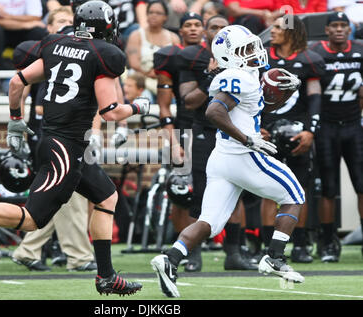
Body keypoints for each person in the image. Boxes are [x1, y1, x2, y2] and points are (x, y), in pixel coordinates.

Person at [0, 0, 146, 296]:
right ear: (106, 26)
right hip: (65, 148)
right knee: (31, 221)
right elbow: (111, 111)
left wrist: (15, 120)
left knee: (107, 196)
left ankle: (106, 276)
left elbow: (17, 81)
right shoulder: (105, 55)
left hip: (54, 141)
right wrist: (140, 106)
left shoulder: (56, 43)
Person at [151, 24, 305, 298]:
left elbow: (255, 108)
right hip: (242, 155)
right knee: (294, 195)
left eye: (251, 46)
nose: (253, 52)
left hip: (221, 157)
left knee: (210, 222)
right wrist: (248, 139)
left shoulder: (244, 75)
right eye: (245, 49)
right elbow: (213, 111)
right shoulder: (237, 76)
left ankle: (170, 259)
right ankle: (274, 257)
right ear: (228, 55)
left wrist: (288, 92)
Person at [11, 6, 96, 272]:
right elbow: (20, 86)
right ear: (48, 27)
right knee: (71, 194)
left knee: (53, 195)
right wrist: (17, 122)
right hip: (51, 131)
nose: (65, 26)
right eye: (59, 21)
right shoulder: (44, 50)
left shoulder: (82, 53)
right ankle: (79, 256)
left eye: (69, 22)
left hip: (71, 132)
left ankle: (28, 249)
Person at [178, 14, 257, 271]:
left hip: (236, 133)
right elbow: (189, 101)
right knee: (200, 194)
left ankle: (233, 253)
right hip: (205, 131)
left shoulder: (247, 58)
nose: (220, 32)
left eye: (225, 28)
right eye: (214, 27)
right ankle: (193, 254)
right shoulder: (193, 58)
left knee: (236, 193)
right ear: (206, 32)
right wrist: (210, 76)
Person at [259, 15, 325, 264]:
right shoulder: (262, 57)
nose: (272, 31)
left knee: (299, 189)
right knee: (267, 190)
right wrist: (258, 129)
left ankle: (299, 244)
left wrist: (310, 131)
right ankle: (267, 245)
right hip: (267, 130)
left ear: (292, 31)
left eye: (277, 27)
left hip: (298, 130)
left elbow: (315, 98)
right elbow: (254, 95)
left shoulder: (309, 59)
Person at [309, 11, 363, 262]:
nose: (340, 29)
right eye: (335, 26)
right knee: (328, 188)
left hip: (353, 125)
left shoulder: (360, 49)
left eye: (344, 25)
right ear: (327, 30)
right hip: (327, 126)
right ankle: (328, 241)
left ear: (349, 29)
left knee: (361, 185)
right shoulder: (316, 52)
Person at [153, 12, 203, 272]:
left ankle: (225, 248)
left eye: (197, 25)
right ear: (180, 30)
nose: (193, 29)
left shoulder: (213, 55)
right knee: (181, 192)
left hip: (214, 131)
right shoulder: (171, 57)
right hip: (183, 130)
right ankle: (186, 248)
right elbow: (164, 107)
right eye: (188, 25)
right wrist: (173, 142)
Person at [126, 0, 179, 101]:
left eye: (158, 13)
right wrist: (151, 73)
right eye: (151, 12)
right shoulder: (136, 35)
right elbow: (134, 64)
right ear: (146, 14)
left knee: (173, 99)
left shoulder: (173, 38)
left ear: (165, 17)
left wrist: (160, 74)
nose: (154, 15)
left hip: (166, 80)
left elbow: (177, 64)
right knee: (145, 98)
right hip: (142, 80)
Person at [0, 0, 48, 70]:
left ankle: (34, 69)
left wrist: (8, 16)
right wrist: (25, 25)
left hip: (22, 33)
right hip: (1, 33)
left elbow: (36, 17)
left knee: (39, 31)